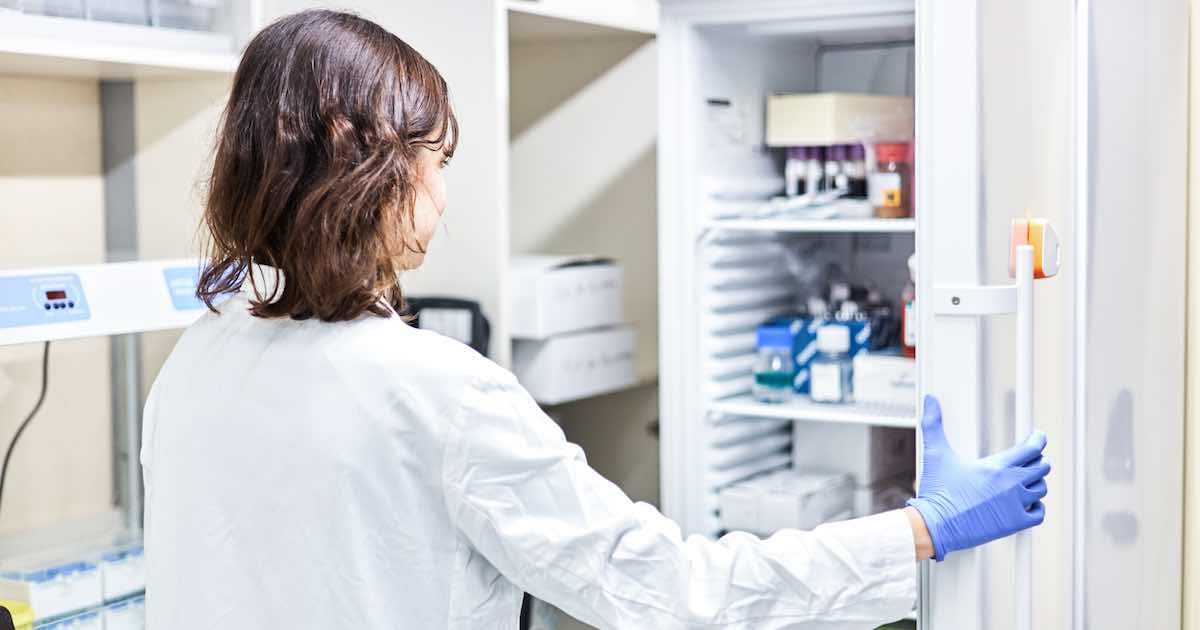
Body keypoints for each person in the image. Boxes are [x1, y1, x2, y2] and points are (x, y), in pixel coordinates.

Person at [140, 10, 1050, 630]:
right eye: (433, 160)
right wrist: (920, 529)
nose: (443, 199)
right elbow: (672, 594)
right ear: (366, 167)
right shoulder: (436, 390)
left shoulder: (194, 363)